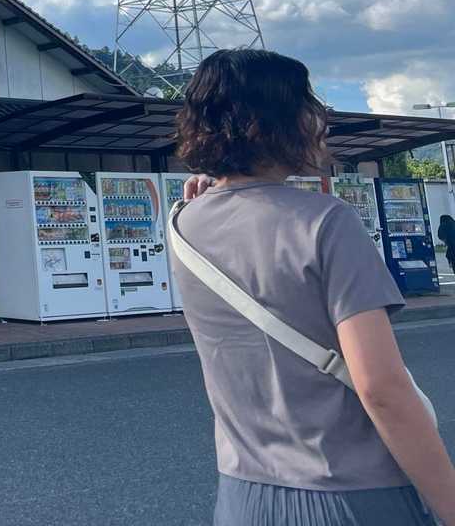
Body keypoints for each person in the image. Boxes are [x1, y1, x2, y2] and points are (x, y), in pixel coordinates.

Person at [172, 49, 455, 525]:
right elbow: (382, 389)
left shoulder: (182, 223)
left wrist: (212, 180)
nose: (320, 115)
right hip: (352, 496)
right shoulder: (328, 222)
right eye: (307, 101)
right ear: (271, 121)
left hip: (242, 495)